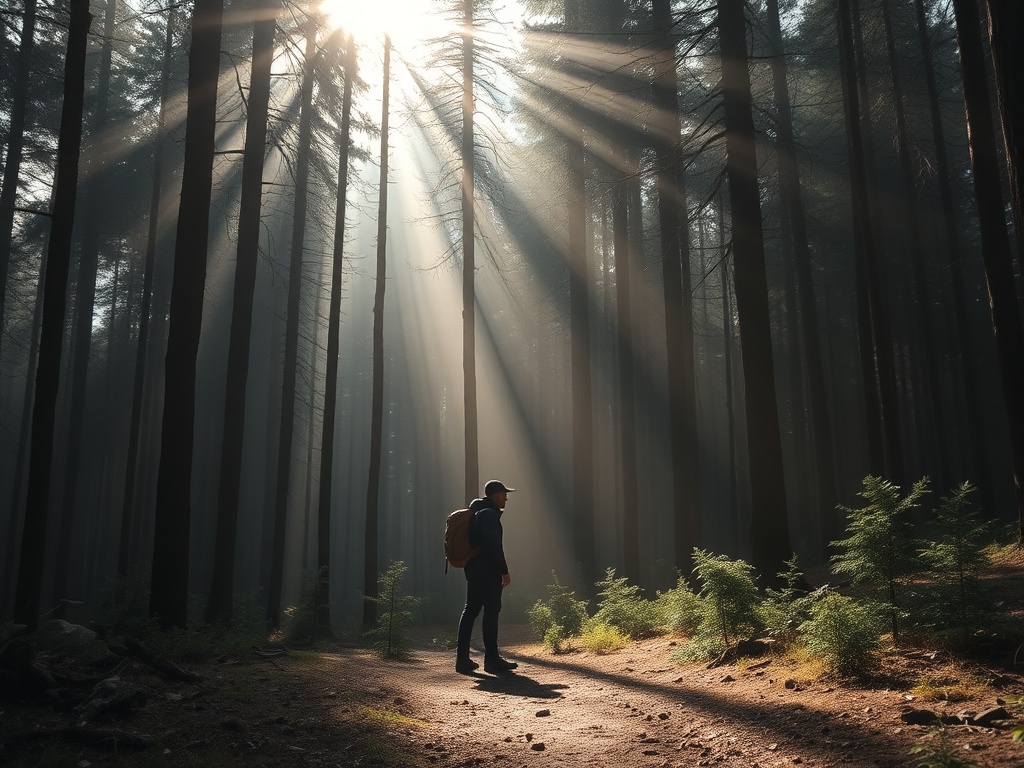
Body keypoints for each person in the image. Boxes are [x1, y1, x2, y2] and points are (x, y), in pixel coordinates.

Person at [456, 480, 519, 674]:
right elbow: (493, 545)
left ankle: (462, 660)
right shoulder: (490, 515)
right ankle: (492, 660)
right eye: (504, 494)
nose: (506, 498)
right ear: (495, 495)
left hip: (472, 569)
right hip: (488, 571)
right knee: (491, 611)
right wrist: (504, 570)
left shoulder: (474, 513)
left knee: (470, 610)